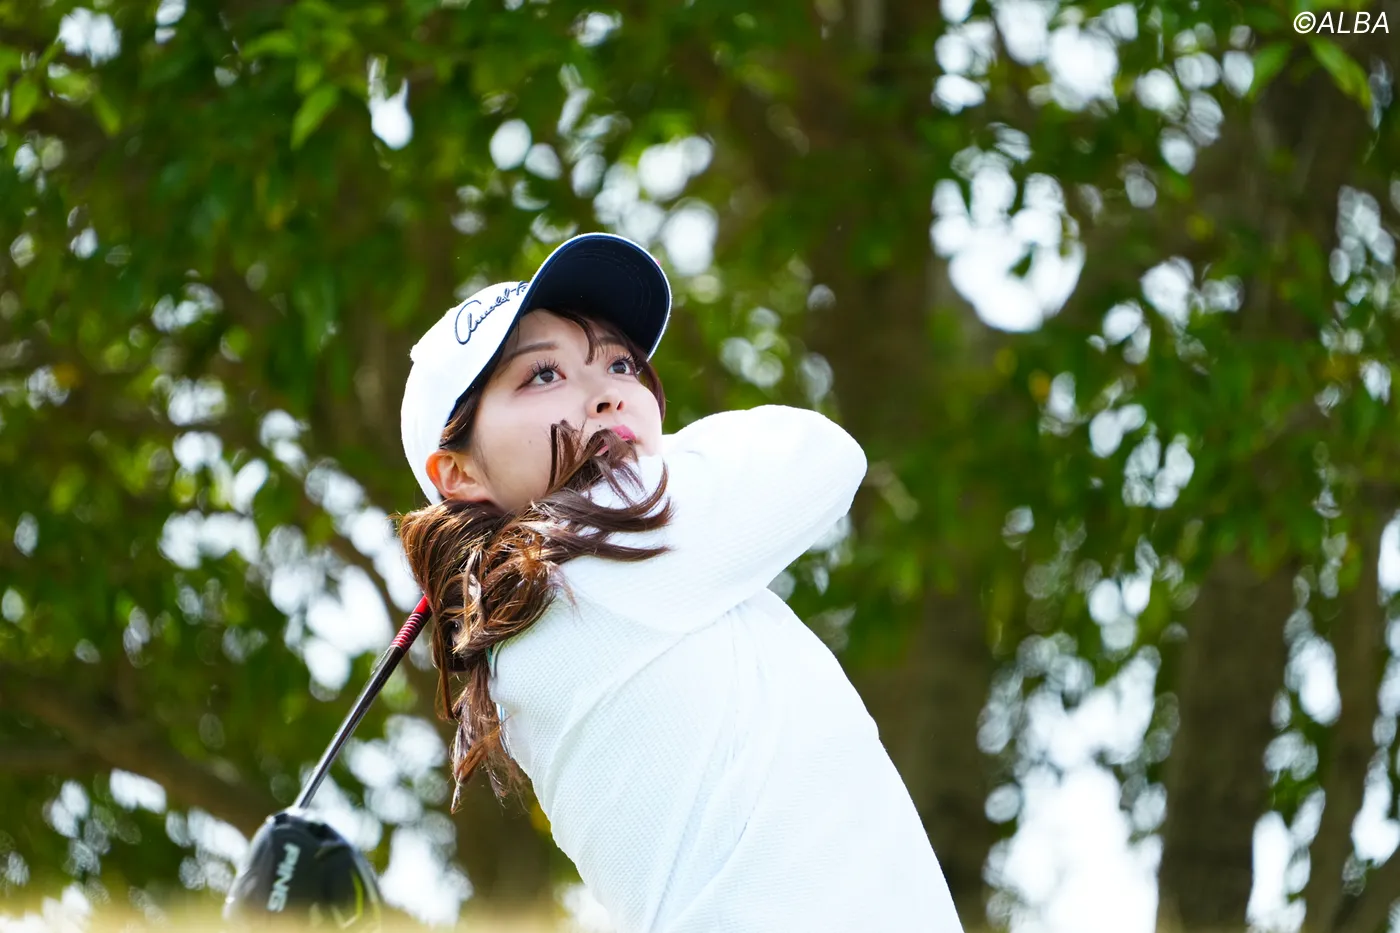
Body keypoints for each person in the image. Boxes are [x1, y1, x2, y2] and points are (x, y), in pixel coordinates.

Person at [396, 232, 964, 932]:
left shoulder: (552, 598)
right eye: (542, 375)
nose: (607, 394)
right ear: (458, 473)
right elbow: (822, 453)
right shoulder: (592, 557)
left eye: (619, 364)